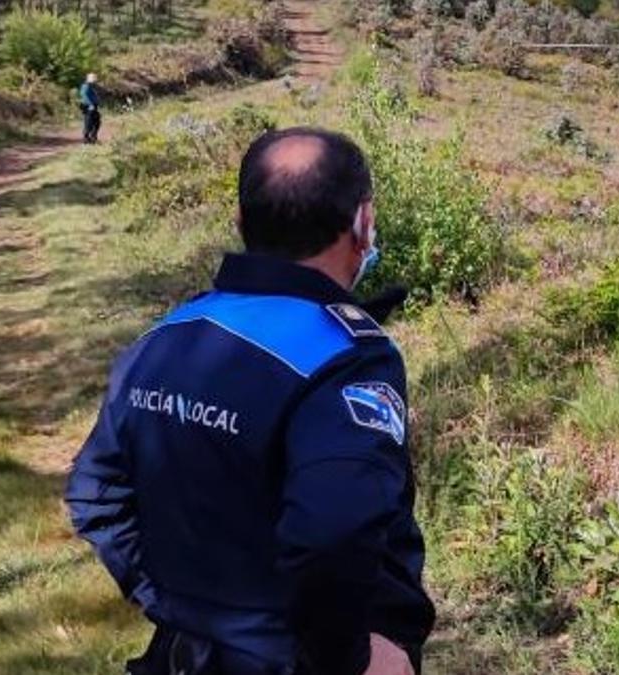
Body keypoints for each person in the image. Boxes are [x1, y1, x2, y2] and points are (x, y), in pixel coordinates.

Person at [66, 127, 435, 675]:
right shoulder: (346, 356)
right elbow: (332, 532)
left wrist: (181, 608)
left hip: (181, 656)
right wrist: (351, 659)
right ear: (363, 222)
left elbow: (94, 493)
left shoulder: (165, 337)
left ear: (241, 223)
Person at [79, 72, 101, 144]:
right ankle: (87, 138)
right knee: (89, 122)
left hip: (92, 106)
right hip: (88, 106)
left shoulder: (91, 86)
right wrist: (90, 104)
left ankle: (92, 137)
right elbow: (84, 95)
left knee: (96, 122)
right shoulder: (86, 86)